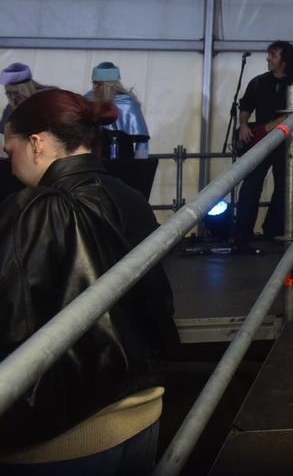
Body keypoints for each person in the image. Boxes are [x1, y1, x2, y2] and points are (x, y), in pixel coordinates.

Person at [0, 89, 177, 474]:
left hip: (64, 437)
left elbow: (13, 324)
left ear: (36, 144)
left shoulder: (34, 209)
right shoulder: (131, 197)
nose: (10, 166)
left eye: (9, 151)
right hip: (142, 409)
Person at [233, 41, 293, 250]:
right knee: (250, 187)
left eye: (273, 55)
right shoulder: (258, 83)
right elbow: (246, 106)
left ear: (285, 60)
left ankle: (276, 230)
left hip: (286, 145)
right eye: (268, 55)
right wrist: (243, 126)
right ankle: (242, 235)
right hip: (259, 142)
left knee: (285, 189)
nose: (268, 59)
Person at [85, 62, 151, 159]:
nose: (94, 88)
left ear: (108, 85)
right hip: (94, 158)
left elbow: (142, 139)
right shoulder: (88, 100)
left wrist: (140, 164)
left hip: (123, 160)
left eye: (99, 84)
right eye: (94, 83)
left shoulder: (128, 104)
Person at [1, 62, 55, 135]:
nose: (12, 97)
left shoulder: (49, 98)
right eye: (9, 93)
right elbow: (3, 133)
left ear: (25, 89)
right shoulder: (9, 109)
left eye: (15, 93)